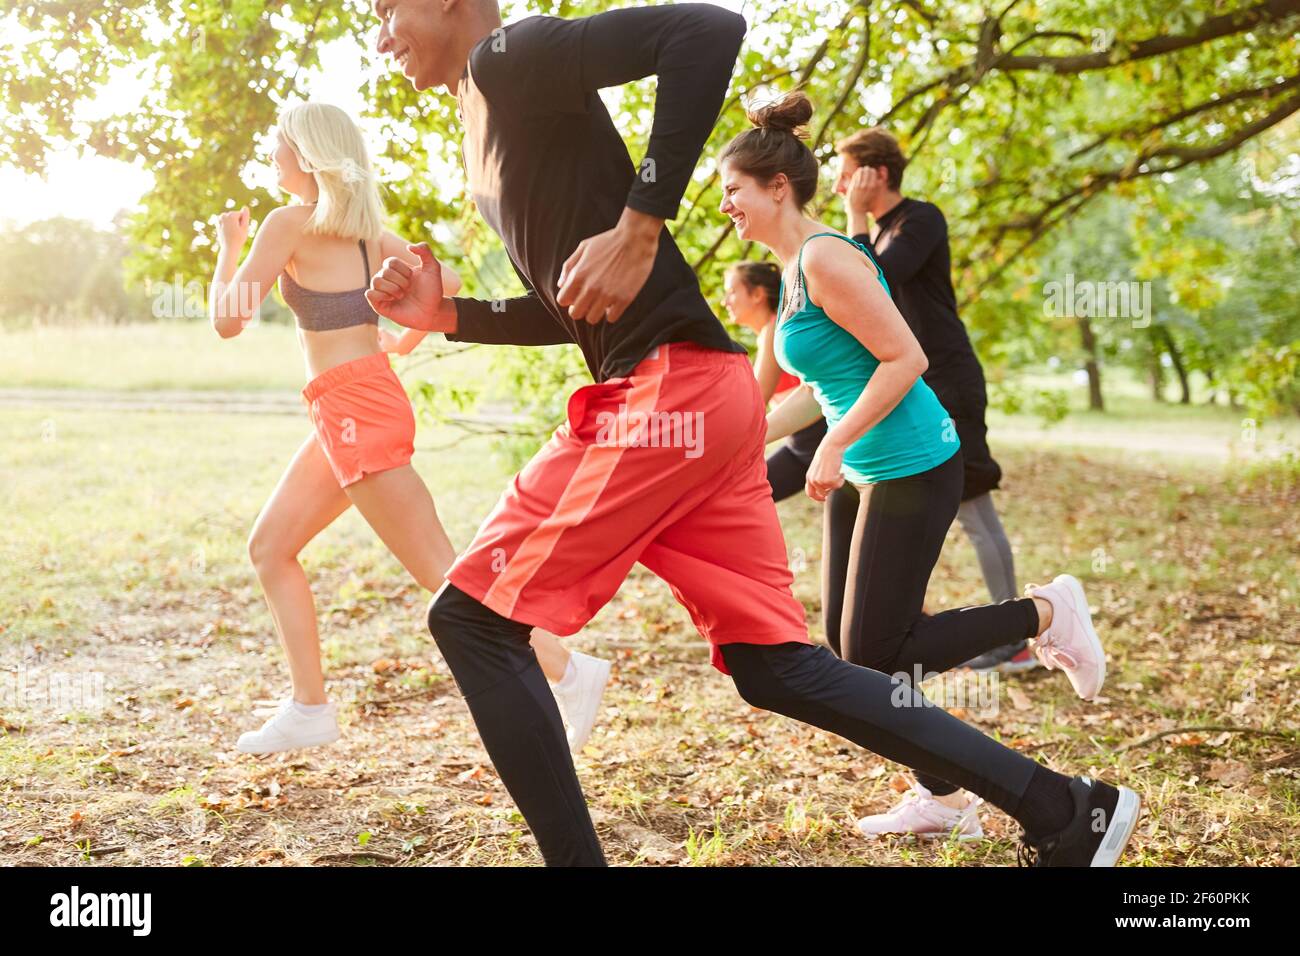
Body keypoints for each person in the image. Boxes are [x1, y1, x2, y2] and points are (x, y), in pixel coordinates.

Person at [366, 0, 1140, 867]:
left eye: (386, 8)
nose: (379, 32)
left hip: (666, 395)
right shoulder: (481, 109)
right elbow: (578, 299)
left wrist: (641, 218)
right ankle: (1067, 808)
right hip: (701, 394)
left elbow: (707, 30)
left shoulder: (514, 54)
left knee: (473, 620)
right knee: (779, 668)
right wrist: (448, 314)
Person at [207, 101, 608, 756]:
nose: (271, 153)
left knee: (443, 570)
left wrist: (228, 248)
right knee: (270, 547)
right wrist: (402, 342)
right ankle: (309, 707)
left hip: (354, 412)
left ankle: (568, 669)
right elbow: (441, 281)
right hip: (352, 404)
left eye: (278, 142)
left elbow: (228, 319)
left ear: (306, 154)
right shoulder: (370, 238)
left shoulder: (288, 224)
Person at [834, 127, 1032, 674]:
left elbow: (876, 281)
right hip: (916, 384)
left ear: (877, 174)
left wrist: (854, 219)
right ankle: (900, 619)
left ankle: (1015, 638)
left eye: (846, 176)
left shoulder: (921, 220)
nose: (838, 188)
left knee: (974, 506)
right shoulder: (881, 231)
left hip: (947, 378)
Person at [722, 261, 827, 501]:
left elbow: (755, 401)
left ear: (757, 294)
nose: (725, 301)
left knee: (741, 496)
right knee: (741, 496)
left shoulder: (773, 332)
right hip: (800, 444)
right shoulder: (769, 333)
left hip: (817, 442)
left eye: (732, 292)